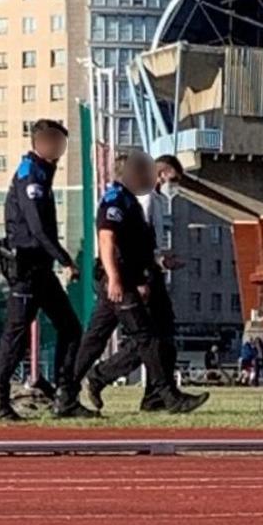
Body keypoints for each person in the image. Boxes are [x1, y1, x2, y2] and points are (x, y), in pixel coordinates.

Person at [72, 152, 208, 414]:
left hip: (136, 273)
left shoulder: (150, 199)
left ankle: (86, 384)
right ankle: (153, 391)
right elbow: (113, 240)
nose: (174, 185)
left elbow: (143, 244)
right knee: (148, 338)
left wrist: (160, 261)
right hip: (129, 277)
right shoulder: (139, 199)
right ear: (160, 173)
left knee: (119, 335)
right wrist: (141, 277)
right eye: (173, 178)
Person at [0, 119, 94, 420]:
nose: (61, 152)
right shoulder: (30, 176)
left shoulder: (41, 173)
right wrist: (65, 259)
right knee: (16, 333)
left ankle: (65, 397)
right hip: (27, 267)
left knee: (70, 328)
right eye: (57, 144)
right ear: (42, 143)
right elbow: (36, 228)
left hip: (40, 268)